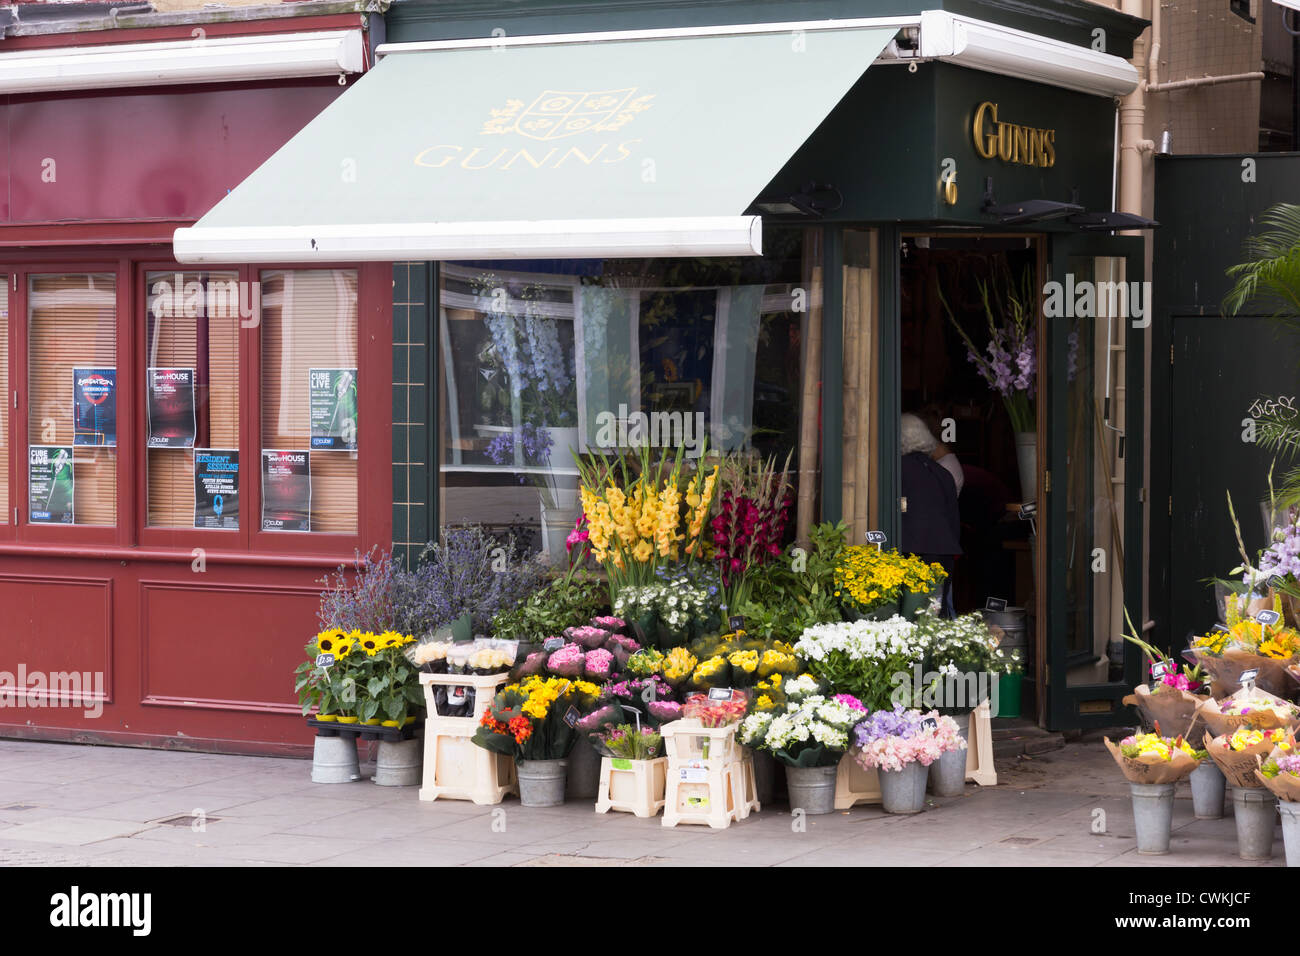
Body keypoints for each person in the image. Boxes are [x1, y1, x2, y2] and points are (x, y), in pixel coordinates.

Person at [899, 413, 962, 616]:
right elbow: (953, 521)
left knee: (909, 616)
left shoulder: (896, 470)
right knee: (937, 615)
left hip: (911, 551)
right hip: (943, 553)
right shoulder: (942, 473)